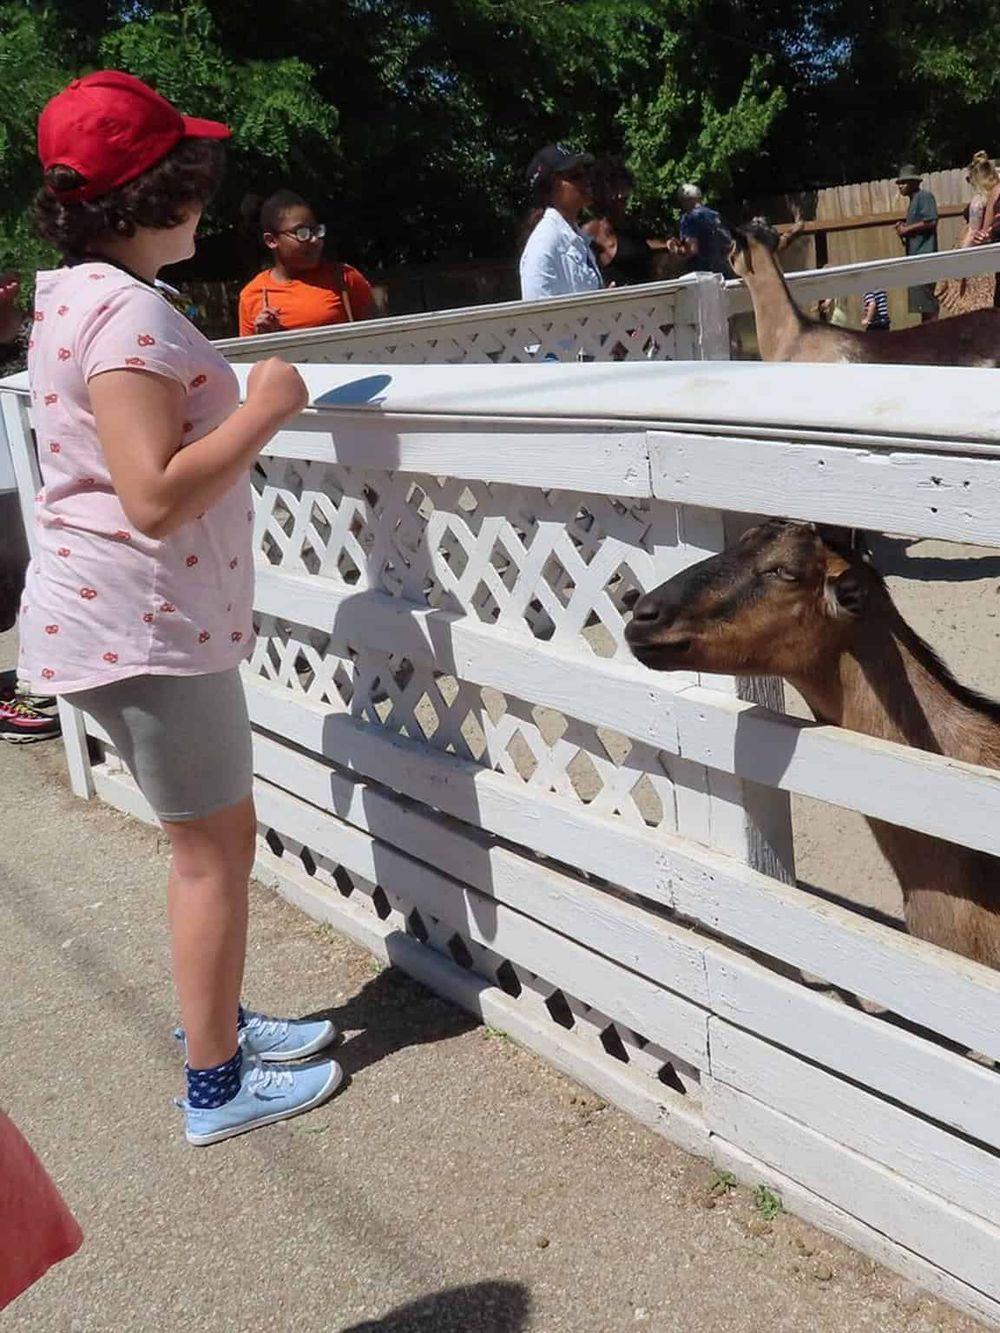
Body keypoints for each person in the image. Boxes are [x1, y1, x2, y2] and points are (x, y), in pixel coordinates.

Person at [25, 69, 342, 1145]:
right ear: (153, 199)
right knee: (213, 851)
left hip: (119, 614)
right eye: (193, 182)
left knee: (206, 841)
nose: (206, 202)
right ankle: (216, 1084)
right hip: (146, 621)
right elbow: (153, 494)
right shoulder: (125, 316)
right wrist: (266, 406)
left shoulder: (71, 295)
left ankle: (220, 1024)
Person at [238, 190, 374, 336]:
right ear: (271, 240)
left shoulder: (344, 277)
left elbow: (380, 339)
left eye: (315, 230)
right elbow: (249, 357)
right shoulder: (252, 295)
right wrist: (264, 339)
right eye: (301, 233)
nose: (315, 240)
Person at [519, 144, 604, 300]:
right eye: (575, 176)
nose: (587, 180)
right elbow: (541, 318)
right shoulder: (544, 245)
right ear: (551, 188)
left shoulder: (576, 237)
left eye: (585, 173)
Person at [583, 160, 674, 286]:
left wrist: (669, 245)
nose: (620, 195)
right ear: (601, 193)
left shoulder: (633, 224)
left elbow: (645, 246)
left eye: (623, 189)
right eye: (614, 190)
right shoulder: (592, 230)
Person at [936, 150, 998, 316]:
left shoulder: (979, 201)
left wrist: (960, 259)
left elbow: (973, 231)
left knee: (974, 309)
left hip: (975, 254)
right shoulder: (994, 197)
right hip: (989, 255)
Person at [895, 165, 938, 322]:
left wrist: (907, 230)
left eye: (904, 183)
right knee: (921, 304)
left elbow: (932, 221)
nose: (900, 186)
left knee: (927, 302)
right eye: (899, 183)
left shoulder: (924, 196)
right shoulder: (914, 200)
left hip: (924, 256)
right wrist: (904, 226)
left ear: (914, 182)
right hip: (916, 257)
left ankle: (934, 334)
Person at [670, 183, 733, 276]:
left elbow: (691, 250)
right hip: (727, 269)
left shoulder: (690, 217)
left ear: (685, 200)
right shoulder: (715, 215)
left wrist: (675, 250)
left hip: (706, 274)